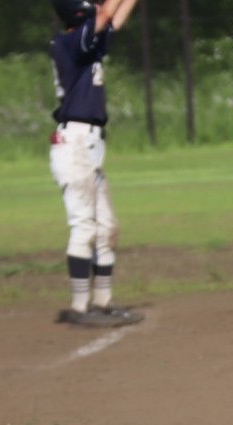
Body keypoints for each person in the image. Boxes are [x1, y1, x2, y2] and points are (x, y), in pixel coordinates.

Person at [49, 0, 144, 328]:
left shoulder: (86, 41)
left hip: (89, 145)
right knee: (84, 226)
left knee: (107, 227)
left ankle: (102, 302)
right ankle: (79, 306)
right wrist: (106, 9)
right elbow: (106, 14)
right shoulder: (71, 41)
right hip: (74, 145)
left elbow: (114, 17)